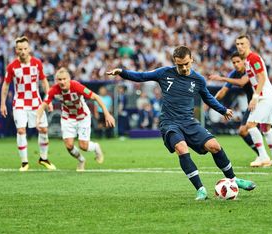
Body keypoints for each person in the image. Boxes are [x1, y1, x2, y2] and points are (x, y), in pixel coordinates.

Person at [107, 45, 256, 200]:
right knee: (181, 147)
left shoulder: (198, 79)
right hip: (169, 122)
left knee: (214, 146)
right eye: (180, 65)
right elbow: (141, 76)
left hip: (189, 121)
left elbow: (207, 97)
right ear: (174, 62)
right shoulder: (164, 73)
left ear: (191, 59)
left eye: (186, 64)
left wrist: (222, 110)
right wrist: (122, 72)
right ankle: (201, 190)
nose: (184, 68)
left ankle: (233, 180)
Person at [210, 51, 272, 165]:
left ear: (243, 61)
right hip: (252, 105)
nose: (236, 64)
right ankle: (262, 155)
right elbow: (223, 91)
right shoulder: (233, 74)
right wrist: (212, 101)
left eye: (238, 61)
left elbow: (242, 82)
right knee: (243, 130)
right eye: (234, 63)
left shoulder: (249, 68)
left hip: (263, 101)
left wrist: (222, 78)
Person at [36, 68, 114, 171]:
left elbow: (96, 97)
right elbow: (42, 106)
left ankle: (96, 147)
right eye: (59, 79)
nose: (62, 82)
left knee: (83, 146)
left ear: (69, 79)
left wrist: (107, 114)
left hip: (83, 117)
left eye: (64, 79)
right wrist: (37, 120)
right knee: (69, 145)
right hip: (67, 118)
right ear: (56, 80)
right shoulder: (54, 90)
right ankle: (81, 160)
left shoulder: (77, 86)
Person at [0, 36, 56, 172]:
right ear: (16, 50)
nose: (23, 51)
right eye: (20, 49)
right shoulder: (12, 66)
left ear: (29, 49)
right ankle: (24, 162)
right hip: (19, 102)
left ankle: (43, 158)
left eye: (25, 48)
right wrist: (2, 103)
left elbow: (44, 82)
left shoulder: (37, 63)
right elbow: (6, 85)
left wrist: (49, 100)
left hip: (36, 102)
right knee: (21, 130)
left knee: (43, 130)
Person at [228, 35, 272, 167]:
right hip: (267, 95)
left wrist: (255, 97)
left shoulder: (253, 58)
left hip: (265, 96)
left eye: (242, 43)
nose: (240, 46)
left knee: (250, 125)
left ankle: (263, 156)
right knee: (266, 128)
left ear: (249, 44)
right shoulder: (246, 61)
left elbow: (262, 77)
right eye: (238, 44)